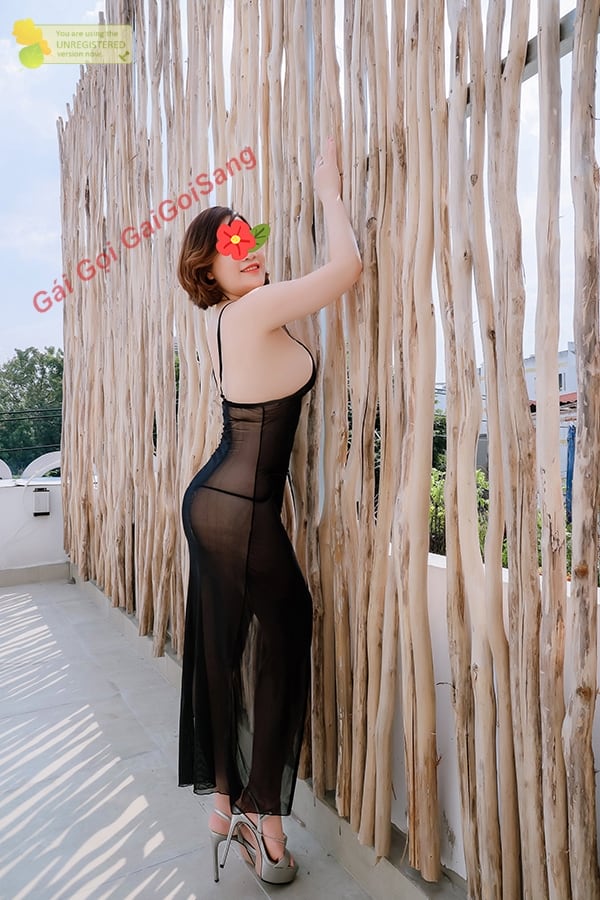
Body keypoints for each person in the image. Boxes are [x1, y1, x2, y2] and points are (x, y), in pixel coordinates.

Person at [177, 137, 362, 886]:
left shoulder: (233, 316)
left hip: (219, 501)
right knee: (285, 633)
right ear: (208, 269)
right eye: (231, 246)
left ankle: (230, 805)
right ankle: (266, 818)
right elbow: (346, 270)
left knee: (228, 648)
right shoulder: (251, 310)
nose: (248, 251)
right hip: (238, 507)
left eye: (250, 239)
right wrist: (329, 191)